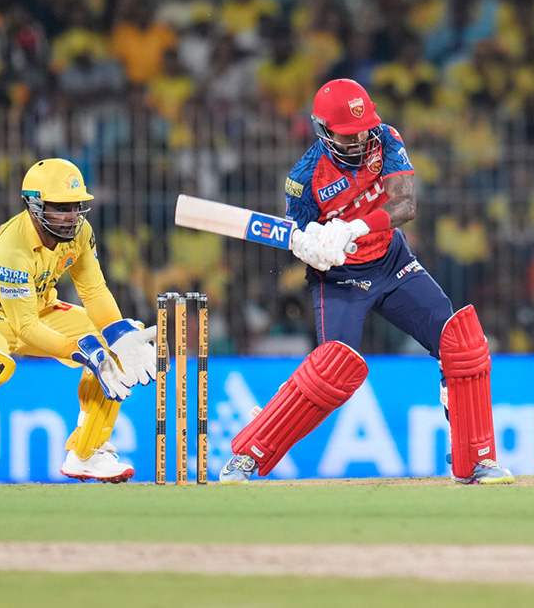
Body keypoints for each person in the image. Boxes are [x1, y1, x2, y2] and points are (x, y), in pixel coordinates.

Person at [218, 79, 514, 486]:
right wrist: (313, 249)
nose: (359, 140)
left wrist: (354, 225)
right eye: (348, 134)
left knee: (459, 343)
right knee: (332, 372)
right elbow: (296, 236)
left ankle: (477, 460)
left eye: (363, 129)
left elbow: (405, 204)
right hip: (338, 277)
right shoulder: (304, 178)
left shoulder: (386, 139)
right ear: (324, 130)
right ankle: (249, 453)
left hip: (391, 262)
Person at [0, 158, 156, 486]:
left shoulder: (80, 233)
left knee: (118, 345)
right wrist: (83, 350)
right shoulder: (12, 249)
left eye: (76, 206)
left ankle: (87, 453)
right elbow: (25, 331)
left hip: (34, 305)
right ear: (34, 206)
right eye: (60, 208)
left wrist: (116, 332)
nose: (72, 216)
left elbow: (94, 290)